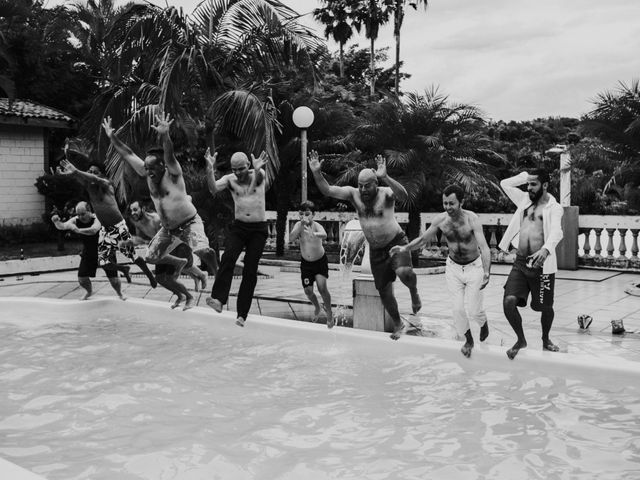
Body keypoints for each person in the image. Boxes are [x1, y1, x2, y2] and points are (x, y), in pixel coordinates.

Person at [308, 150, 421, 340]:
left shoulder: (385, 194)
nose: (363, 190)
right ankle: (398, 324)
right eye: (360, 186)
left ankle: (414, 292)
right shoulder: (354, 195)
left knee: (404, 273)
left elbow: (404, 196)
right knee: (384, 292)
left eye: (367, 186)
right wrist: (317, 172)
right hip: (376, 251)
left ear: (376, 183)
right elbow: (328, 190)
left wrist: (386, 177)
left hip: (395, 241)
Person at [102, 114, 219, 278]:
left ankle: (217, 271)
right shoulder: (146, 172)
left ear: (162, 166)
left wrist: (165, 135)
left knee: (203, 251)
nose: (148, 172)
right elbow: (127, 154)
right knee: (151, 257)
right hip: (168, 229)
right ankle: (184, 265)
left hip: (189, 223)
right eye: (147, 168)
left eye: (152, 169)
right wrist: (112, 137)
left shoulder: (173, 173)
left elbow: (169, 154)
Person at [391, 185, 491, 357]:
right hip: (453, 268)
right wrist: (405, 248)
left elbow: (484, 247)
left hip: (474, 267)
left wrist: (487, 271)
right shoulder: (441, 220)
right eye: (445, 203)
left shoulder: (471, 219)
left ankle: (483, 324)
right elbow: (423, 239)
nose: (447, 207)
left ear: (461, 202)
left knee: (474, 310)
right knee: (457, 308)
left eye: (451, 203)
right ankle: (468, 340)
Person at [55, 154, 157, 289]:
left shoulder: (106, 184)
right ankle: (124, 269)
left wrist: (77, 171)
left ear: (101, 174)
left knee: (132, 256)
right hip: (105, 229)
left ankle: (149, 275)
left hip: (118, 226)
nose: (91, 174)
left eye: (95, 172)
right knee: (103, 262)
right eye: (89, 171)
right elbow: (80, 177)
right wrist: (67, 175)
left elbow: (92, 178)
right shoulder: (89, 186)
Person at [499, 169, 564, 359]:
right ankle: (521, 340)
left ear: (545, 185)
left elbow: (556, 232)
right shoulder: (524, 200)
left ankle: (545, 339)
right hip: (520, 262)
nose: (528, 188)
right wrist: (524, 175)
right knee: (508, 302)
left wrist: (545, 250)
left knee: (544, 307)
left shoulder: (554, 207)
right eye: (527, 184)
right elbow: (505, 184)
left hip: (541, 266)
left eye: (533, 184)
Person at [204, 147, 269, 327]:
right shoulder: (230, 180)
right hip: (239, 227)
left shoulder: (258, 173)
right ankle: (218, 299)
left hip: (258, 229)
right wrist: (210, 170)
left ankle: (242, 314)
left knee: (250, 270)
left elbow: (261, 180)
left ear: (247, 165)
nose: (238, 173)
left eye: (241, 168)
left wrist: (257, 169)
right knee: (228, 258)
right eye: (234, 169)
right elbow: (213, 188)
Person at [125, 200, 208, 310]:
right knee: (159, 278)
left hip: (172, 245)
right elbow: (142, 238)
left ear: (143, 209)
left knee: (171, 276)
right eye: (131, 211)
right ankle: (181, 294)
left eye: (135, 210)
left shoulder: (156, 219)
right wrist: (133, 241)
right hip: (159, 248)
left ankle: (190, 297)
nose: (132, 213)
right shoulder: (135, 221)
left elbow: (168, 236)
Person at [51, 201, 126, 300]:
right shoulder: (75, 220)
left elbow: (93, 230)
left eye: (83, 214)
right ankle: (89, 292)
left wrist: (78, 230)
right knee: (82, 279)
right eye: (78, 214)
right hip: (89, 251)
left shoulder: (98, 218)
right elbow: (63, 226)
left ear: (90, 211)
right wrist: (56, 222)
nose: (80, 217)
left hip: (105, 250)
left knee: (114, 280)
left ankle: (120, 293)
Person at [289, 200, 334, 328]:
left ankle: (329, 313)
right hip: (306, 263)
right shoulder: (299, 225)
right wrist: (299, 227)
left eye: (307, 214)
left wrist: (314, 234)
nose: (305, 217)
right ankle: (317, 306)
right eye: (302, 214)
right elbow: (291, 238)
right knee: (308, 291)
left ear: (313, 215)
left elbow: (324, 235)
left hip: (320, 261)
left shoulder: (316, 226)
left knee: (322, 288)